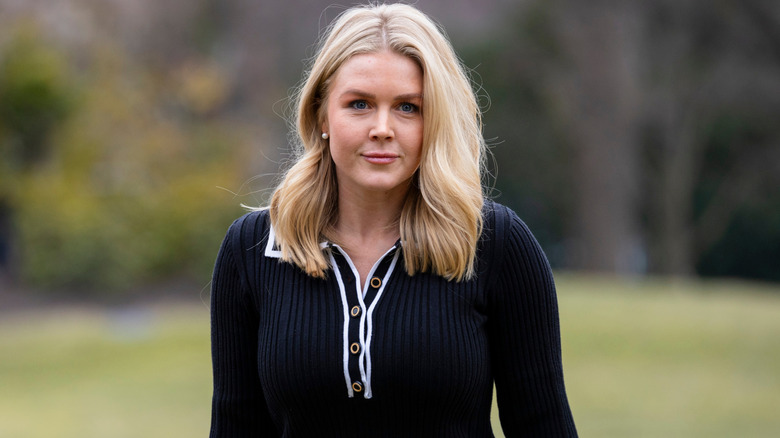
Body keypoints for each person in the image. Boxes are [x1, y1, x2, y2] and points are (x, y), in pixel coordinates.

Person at [209, 3, 577, 437]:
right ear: (322, 114)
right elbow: (234, 428)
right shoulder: (253, 248)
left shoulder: (495, 242)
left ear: (434, 119)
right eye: (359, 104)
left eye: (407, 107)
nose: (382, 128)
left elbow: (543, 425)